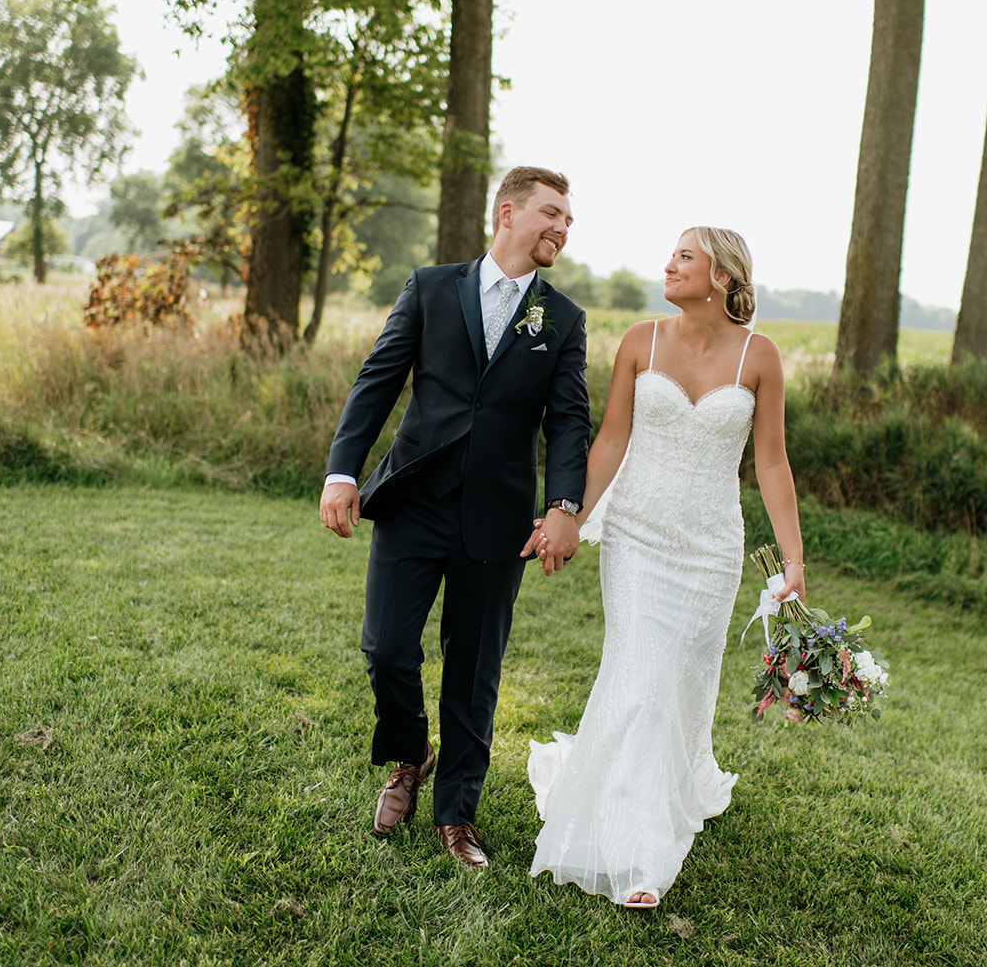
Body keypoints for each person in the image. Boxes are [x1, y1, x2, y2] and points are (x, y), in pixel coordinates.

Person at [522, 226, 805, 908]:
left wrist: (793, 557)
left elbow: (770, 462)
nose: (669, 264)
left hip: (710, 548)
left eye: (685, 255)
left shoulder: (759, 357)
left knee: (680, 682)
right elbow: (611, 437)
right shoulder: (640, 340)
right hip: (638, 538)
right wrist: (571, 515)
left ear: (722, 277)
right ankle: (638, 855)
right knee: (641, 675)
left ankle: (673, 784)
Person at [319, 167, 591, 870]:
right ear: (508, 212)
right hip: (414, 501)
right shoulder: (432, 287)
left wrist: (563, 504)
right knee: (385, 649)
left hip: (498, 521)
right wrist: (343, 470)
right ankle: (409, 755)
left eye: (569, 220)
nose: (562, 229)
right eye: (551, 214)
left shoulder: (562, 319)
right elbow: (378, 379)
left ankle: (456, 814)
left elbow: (566, 423)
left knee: (473, 671)